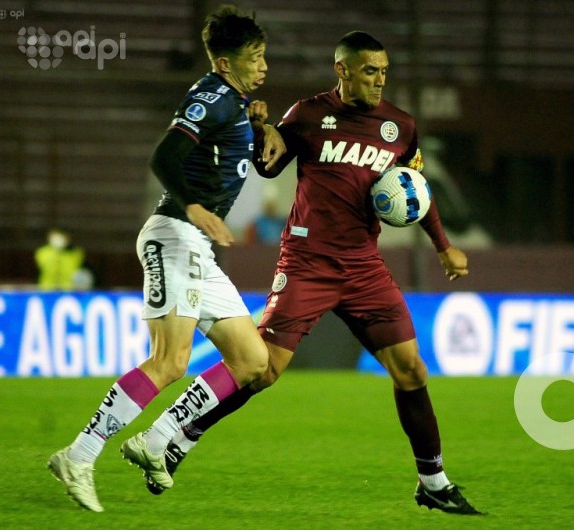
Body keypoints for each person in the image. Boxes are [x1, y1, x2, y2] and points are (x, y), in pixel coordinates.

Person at [138, 31, 482, 515]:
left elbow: (414, 189)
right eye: (369, 71)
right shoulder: (305, 115)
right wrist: (263, 132)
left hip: (364, 267)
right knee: (263, 370)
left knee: (411, 370)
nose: (379, 80)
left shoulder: (400, 127)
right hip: (307, 264)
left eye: (384, 71)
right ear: (342, 70)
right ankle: (178, 435)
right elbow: (266, 166)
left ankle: (433, 480)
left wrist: (444, 247)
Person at [47, 5, 285, 512]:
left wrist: (255, 122)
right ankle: (78, 454)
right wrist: (194, 205)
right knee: (170, 361)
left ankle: (158, 438)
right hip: (175, 233)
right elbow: (164, 157)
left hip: (195, 245)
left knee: (252, 360)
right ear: (225, 63)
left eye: (265, 55)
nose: (264, 66)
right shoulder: (211, 96)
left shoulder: (235, 102)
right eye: (255, 57)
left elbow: (232, 155)